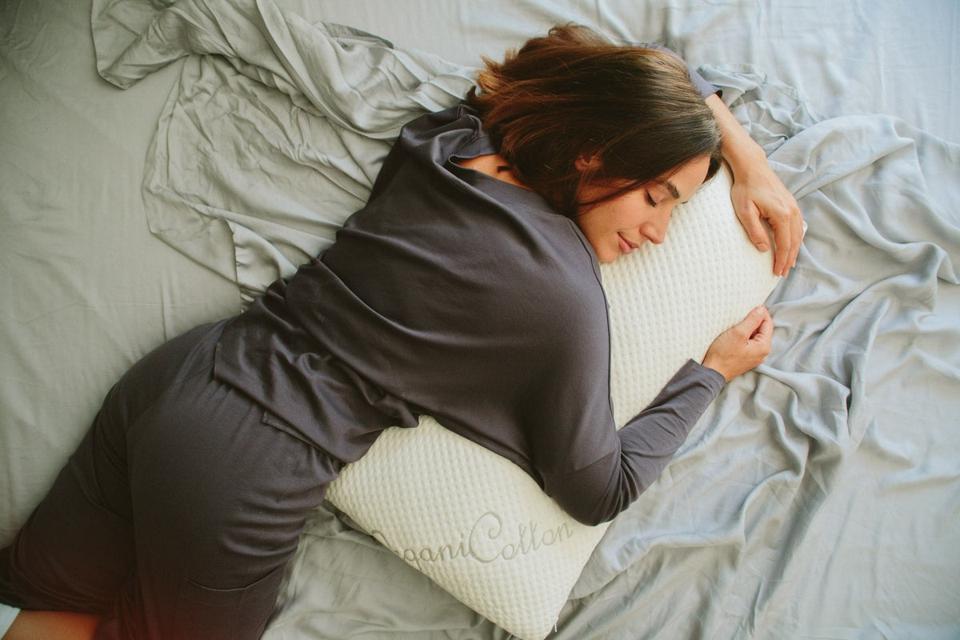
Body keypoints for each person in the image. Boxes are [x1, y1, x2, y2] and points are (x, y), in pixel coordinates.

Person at [0, 24, 801, 640]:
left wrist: (738, 149)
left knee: (55, 611)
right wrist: (712, 373)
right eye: (657, 196)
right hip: (246, 471)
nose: (659, 232)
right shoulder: (562, 295)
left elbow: (636, 71)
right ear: (598, 150)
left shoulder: (456, 140)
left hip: (179, 378)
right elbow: (599, 488)